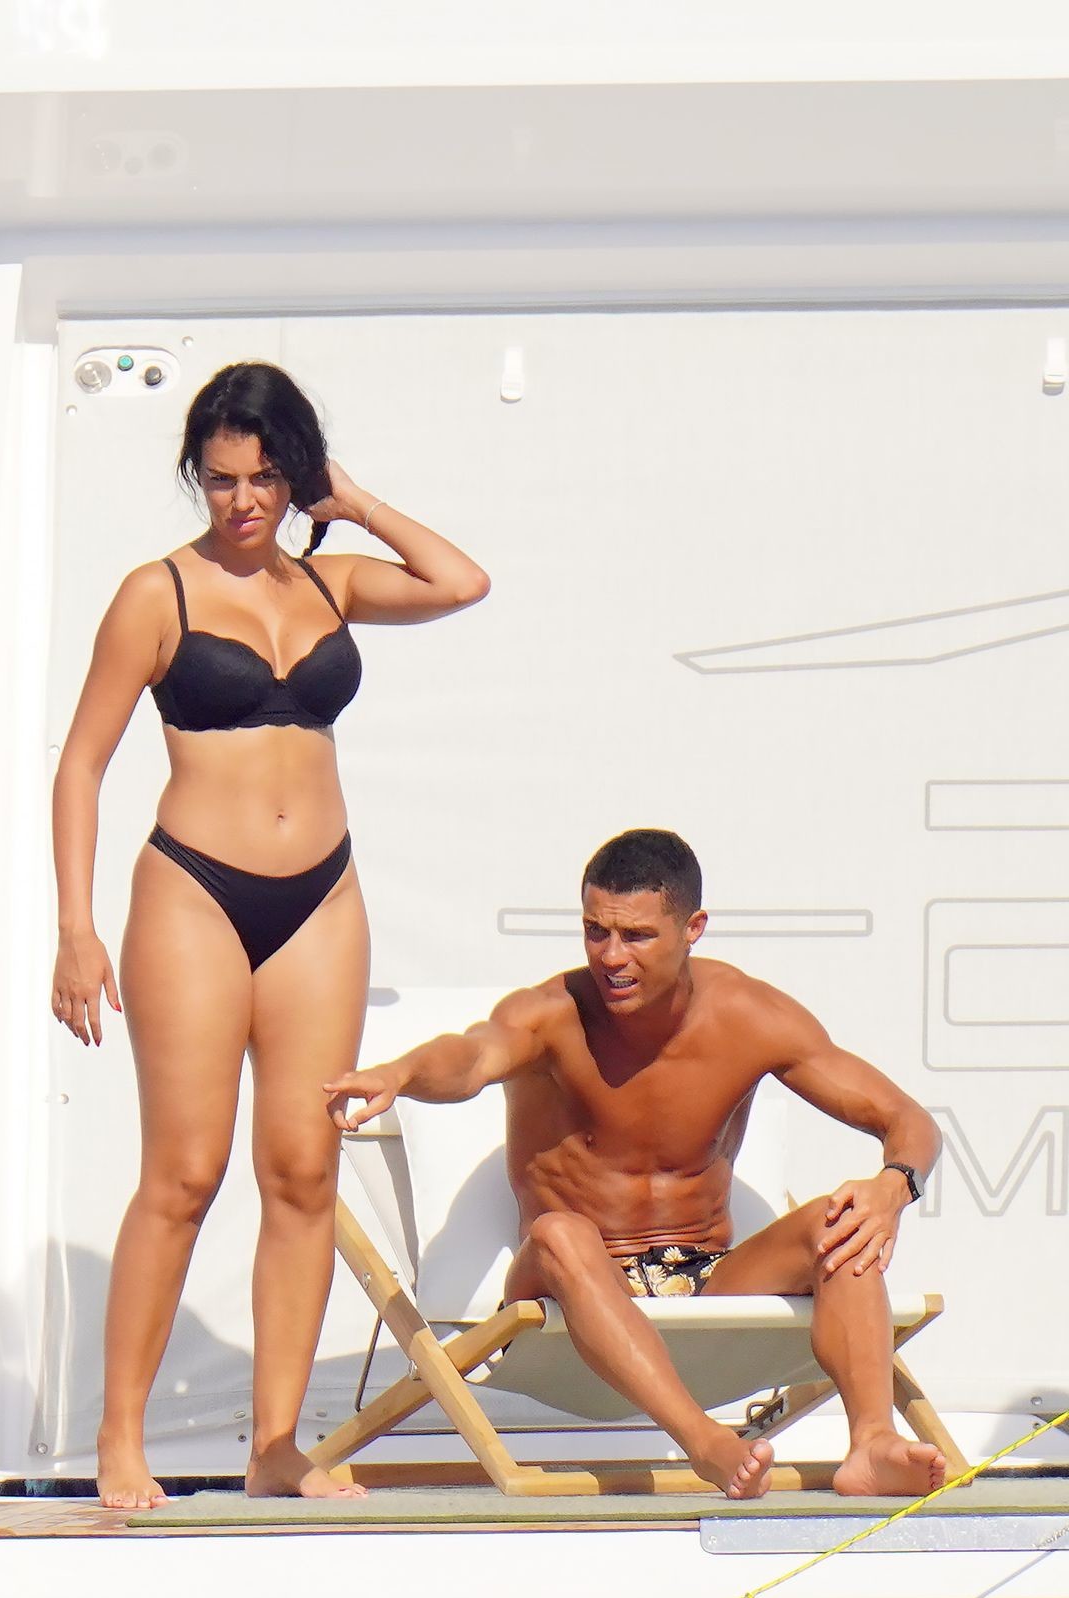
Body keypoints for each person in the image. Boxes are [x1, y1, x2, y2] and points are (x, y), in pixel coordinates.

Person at [52, 361, 489, 1506]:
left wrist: (356, 501)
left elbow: (461, 582)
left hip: (320, 900)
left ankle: (277, 1446)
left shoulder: (331, 582)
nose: (241, 501)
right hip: (193, 892)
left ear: (294, 472)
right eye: (219, 479)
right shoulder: (157, 594)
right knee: (183, 1174)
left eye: (262, 478)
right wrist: (74, 929)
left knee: (302, 1170)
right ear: (195, 478)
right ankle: (120, 1439)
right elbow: (80, 764)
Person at [325, 828, 946, 1500]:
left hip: (705, 1277)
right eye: (595, 932)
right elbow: (471, 1057)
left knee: (843, 1219)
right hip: (563, 1285)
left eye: (637, 937)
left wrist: (894, 1187)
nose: (611, 957)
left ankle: (872, 1442)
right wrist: (401, 1073)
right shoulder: (552, 1016)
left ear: (693, 929)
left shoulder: (749, 1017)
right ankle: (705, 1442)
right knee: (562, 1232)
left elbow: (907, 1119)